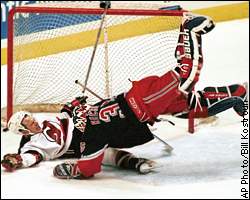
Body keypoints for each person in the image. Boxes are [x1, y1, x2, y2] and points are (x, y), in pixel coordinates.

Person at [1, 13, 247, 180]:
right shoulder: (72, 127)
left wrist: (74, 169)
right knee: (190, 107)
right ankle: (238, 94)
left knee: (185, 77)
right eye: (25, 124)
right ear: (22, 132)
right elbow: (34, 153)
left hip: (141, 102)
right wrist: (19, 160)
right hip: (142, 105)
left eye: (27, 118)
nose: (31, 121)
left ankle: (189, 31)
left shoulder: (87, 132)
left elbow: (89, 165)